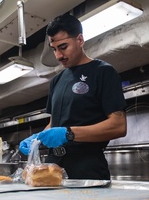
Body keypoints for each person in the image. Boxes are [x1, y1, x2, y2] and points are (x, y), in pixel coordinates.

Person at [19, 14, 127, 180]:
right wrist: (37, 139)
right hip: (53, 167)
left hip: (86, 168)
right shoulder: (57, 80)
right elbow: (54, 123)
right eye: (54, 49)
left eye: (63, 47)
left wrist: (69, 134)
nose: (58, 55)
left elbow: (118, 126)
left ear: (80, 40)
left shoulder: (103, 72)